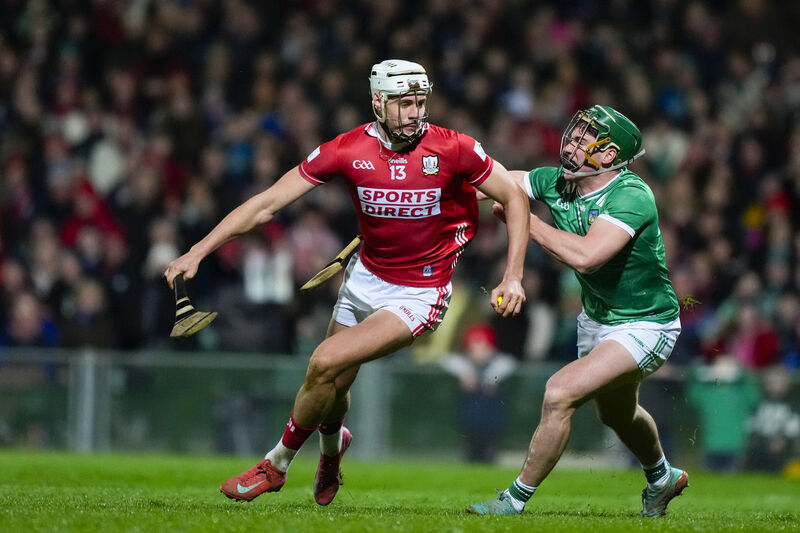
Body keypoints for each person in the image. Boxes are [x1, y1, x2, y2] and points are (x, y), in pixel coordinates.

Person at [164, 59, 529, 506]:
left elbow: (513, 195)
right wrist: (198, 250)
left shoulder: (455, 149)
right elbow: (267, 203)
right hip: (364, 279)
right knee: (332, 385)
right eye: (403, 104)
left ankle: (275, 465)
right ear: (378, 103)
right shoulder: (345, 149)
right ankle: (333, 452)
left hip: (420, 293)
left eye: (420, 102)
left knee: (322, 362)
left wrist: (513, 276)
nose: (415, 112)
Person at [467, 105, 687, 517]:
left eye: (584, 139)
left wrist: (524, 220)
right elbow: (494, 183)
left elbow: (587, 257)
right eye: (573, 134)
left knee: (559, 393)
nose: (569, 143)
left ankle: (513, 501)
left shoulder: (631, 195)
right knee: (617, 415)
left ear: (607, 156)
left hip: (646, 323)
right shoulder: (556, 181)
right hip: (597, 319)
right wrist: (429, 196)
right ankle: (662, 479)